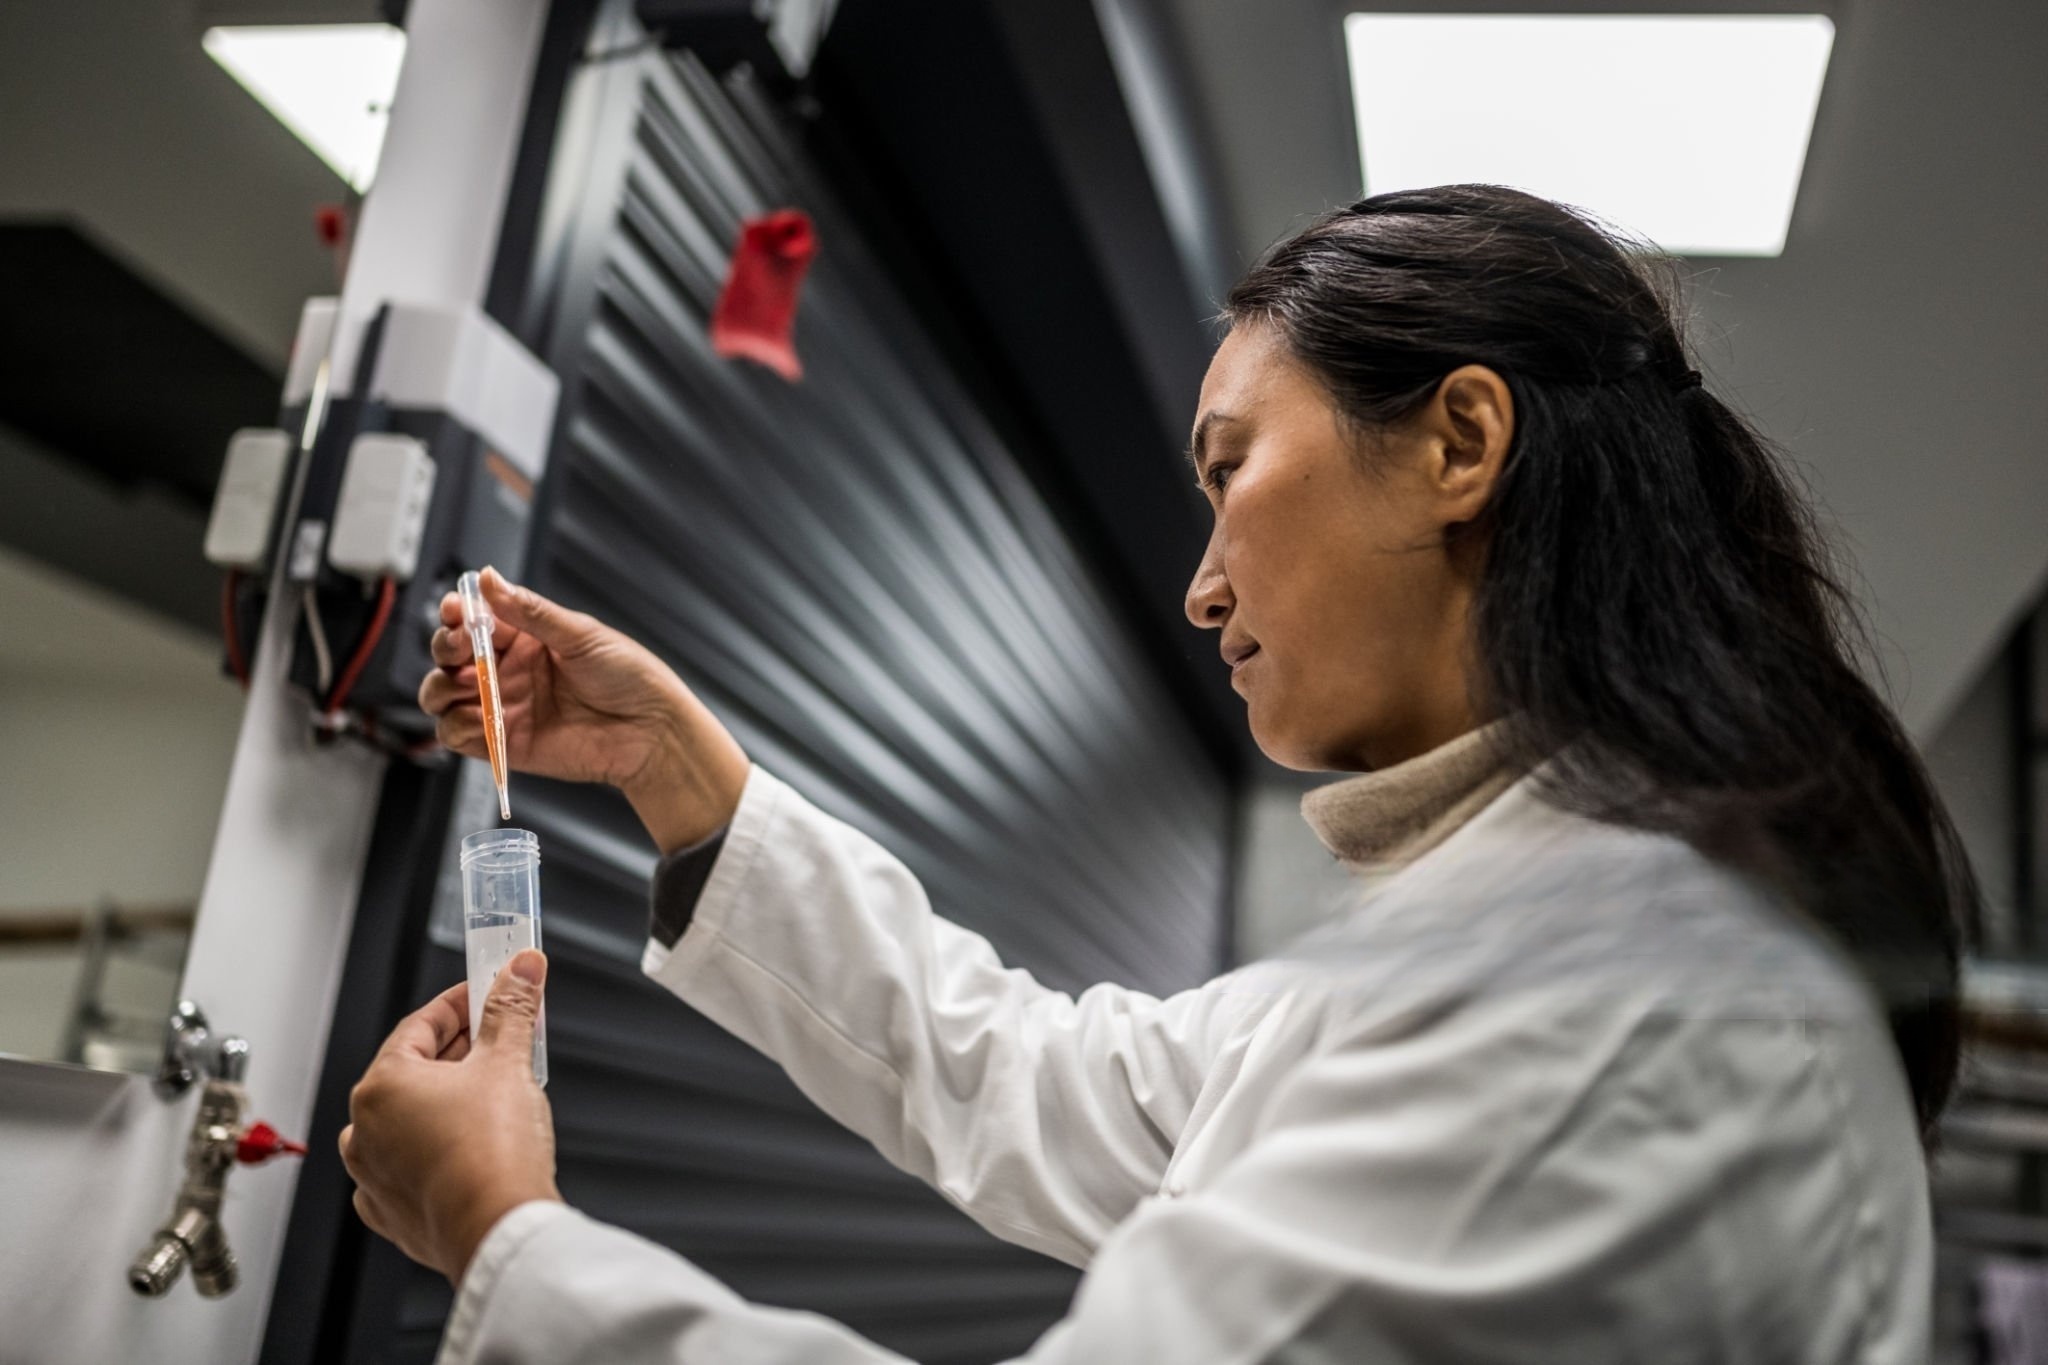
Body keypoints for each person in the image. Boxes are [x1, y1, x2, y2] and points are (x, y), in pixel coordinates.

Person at [341, 185, 1969, 1364]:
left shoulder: (1599, 1007)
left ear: (1461, 444)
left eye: (1231, 467)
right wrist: (675, 763)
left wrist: (508, 1244)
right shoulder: (1515, 932)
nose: (1198, 588)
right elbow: (1018, 1072)